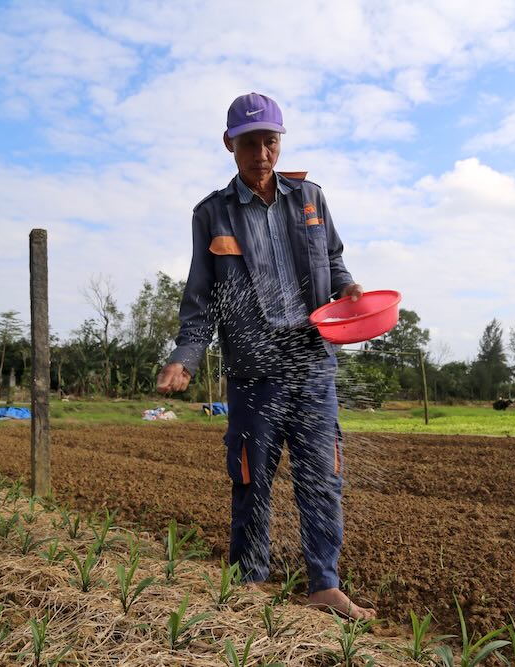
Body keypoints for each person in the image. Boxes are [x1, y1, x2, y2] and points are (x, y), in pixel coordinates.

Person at [156, 92, 373, 620]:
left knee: (322, 474)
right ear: (230, 144)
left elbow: (335, 260)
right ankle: (250, 581)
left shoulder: (310, 198)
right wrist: (184, 356)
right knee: (251, 476)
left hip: (311, 360)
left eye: (270, 141)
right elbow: (202, 298)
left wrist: (346, 290)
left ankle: (324, 583)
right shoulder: (212, 213)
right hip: (254, 369)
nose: (261, 152)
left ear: (280, 142)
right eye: (250, 142)